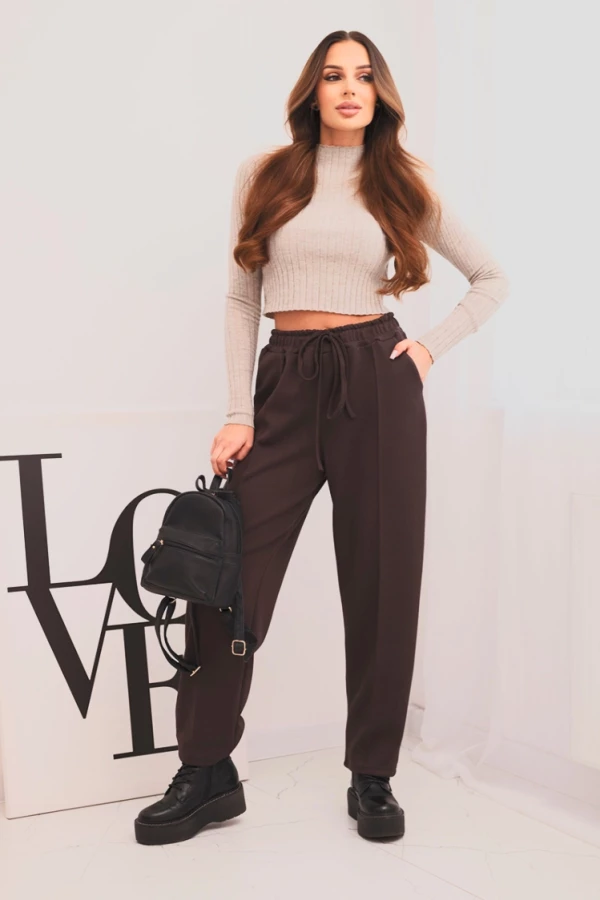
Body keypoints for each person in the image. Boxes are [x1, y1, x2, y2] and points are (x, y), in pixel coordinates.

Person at [134, 29, 509, 845]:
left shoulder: (401, 181)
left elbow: (492, 277)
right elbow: (242, 297)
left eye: (364, 76)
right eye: (334, 75)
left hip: (377, 377)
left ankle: (372, 776)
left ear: (381, 94)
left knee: (382, 582)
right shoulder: (265, 175)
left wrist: (427, 350)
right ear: (312, 90)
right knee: (226, 577)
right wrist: (239, 411)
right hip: (285, 378)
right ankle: (207, 771)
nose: (348, 88)